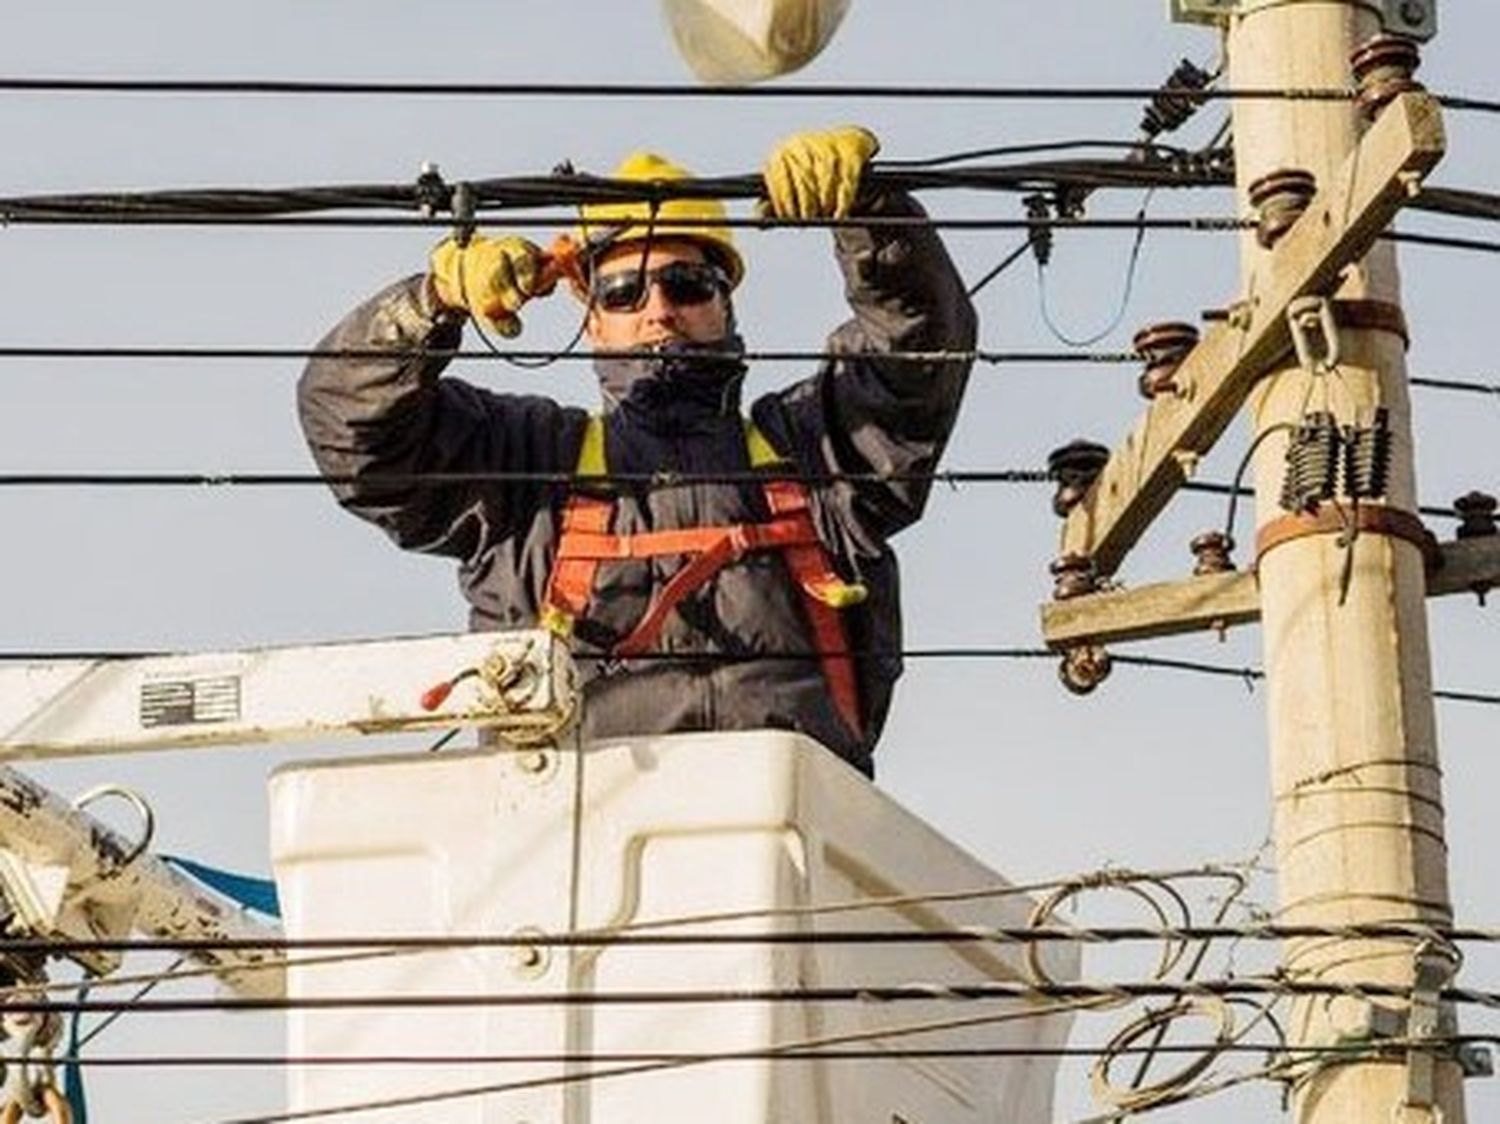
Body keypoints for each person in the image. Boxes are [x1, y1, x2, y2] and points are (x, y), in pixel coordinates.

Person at [298, 127, 976, 777]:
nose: (659, 309)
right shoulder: (530, 471)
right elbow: (347, 421)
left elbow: (919, 351)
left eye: (687, 284)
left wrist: (874, 215)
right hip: (580, 860)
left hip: (797, 856)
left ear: (724, 305)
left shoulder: (814, 451)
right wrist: (432, 303)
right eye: (624, 291)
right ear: (591, 318)